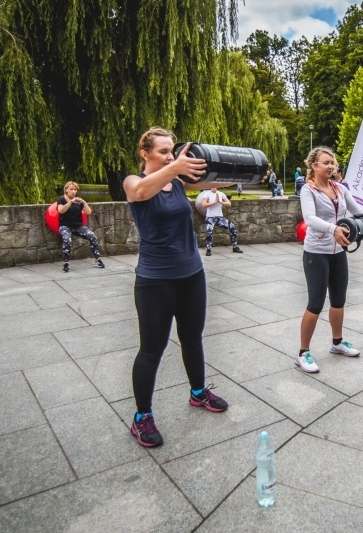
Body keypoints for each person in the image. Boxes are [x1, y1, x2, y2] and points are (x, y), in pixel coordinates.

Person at [122, 127, 228, 448]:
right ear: (145, 154)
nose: (171, 156)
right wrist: (176, 167)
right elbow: (141, 192)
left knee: (192, 338)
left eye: (172, 151)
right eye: (164, 151)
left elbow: (213, 180)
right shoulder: (133, 181)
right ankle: (142, 417)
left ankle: (198, 392)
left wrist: (248, 172)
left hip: (191, 274)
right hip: (155, 280)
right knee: (152, 349)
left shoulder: (179, 182)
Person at [296, 146, 363, 373]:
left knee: (338, 300)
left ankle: (337, 343)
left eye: (333, 163)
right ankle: (303, 353)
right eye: (326, 162)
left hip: (338, 252)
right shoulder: (308, 190)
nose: (330, 166)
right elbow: (309, 218)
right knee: (315, 303)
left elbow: (358, 212)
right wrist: (333, 228)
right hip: (316, 252)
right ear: (314, 166)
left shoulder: (339, 188)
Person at [56, 181, 104, 273]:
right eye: (71, 189)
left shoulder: (78, 201)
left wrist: (84, 203)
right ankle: (66, 263)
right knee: (67, 239)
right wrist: (70, 202)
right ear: (66, 190)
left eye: (75, 189)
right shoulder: (61, 200)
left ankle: (98, 260)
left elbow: (88, 212)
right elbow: (61, 211)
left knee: (93, 236)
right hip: (65, 226)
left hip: (78, 226)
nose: (73, 191)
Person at [201, 187, 243, 256]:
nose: (214, 186)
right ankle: (208, 249)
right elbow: (203, 205)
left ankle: (235, 247)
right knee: (209, 231)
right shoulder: (207, 194)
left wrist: (221, 202)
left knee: (232, 226)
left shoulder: (221, 194)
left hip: (219, 217)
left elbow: (229, 204)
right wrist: (214, 202)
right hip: (210, 218)